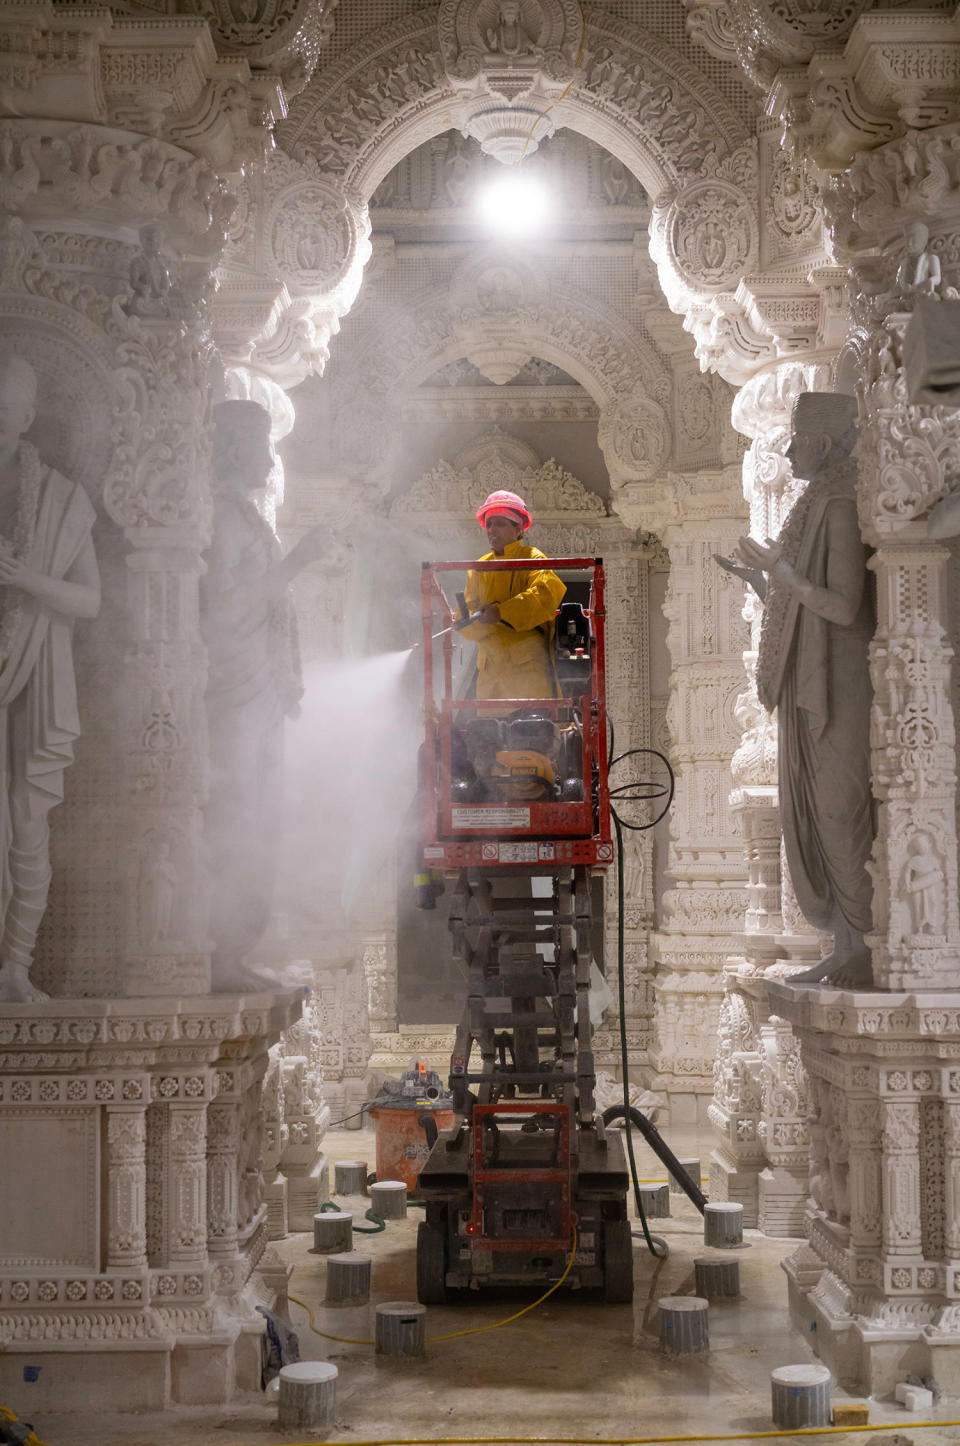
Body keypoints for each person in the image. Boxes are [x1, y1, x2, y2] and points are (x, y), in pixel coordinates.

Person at [716, 392, 875, 986]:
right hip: (815, 676)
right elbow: (805, 608)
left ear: (827, 443)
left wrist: (782, 573)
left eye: (798, 439)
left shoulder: (838, 505)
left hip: (839, 683)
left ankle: (866, 945)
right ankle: (848, 943)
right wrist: (765, 579)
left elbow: (845, 604)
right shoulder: (814, 501)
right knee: (806, 810)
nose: (788, 450)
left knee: (837, 810)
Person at [201, 399, 330, 988]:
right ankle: (223, 954)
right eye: (261, 443)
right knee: (240, 814)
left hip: (258, 687)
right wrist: (299, 559)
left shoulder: (244, 515)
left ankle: (236, 950)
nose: (270, 456)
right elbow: (224, 607)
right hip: (235, 689)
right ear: (232, 448)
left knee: (260, 815)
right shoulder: (224, 518)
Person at [0, 356, 100, 1002]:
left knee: (26, 819)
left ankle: (14, 967)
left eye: (6, 410)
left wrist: (23, 580)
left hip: (35, 672)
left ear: (28, 417)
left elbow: (90, 602)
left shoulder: (63, 500)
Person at [460, 489, 566, 700]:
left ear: (518, 528)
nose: (492, 530)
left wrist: (501, 612)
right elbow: (466, 619)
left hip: (527, 674)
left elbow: (544, 595)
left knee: (531, 731)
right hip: (490, 678)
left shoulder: (533, 559)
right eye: (489, 524)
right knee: (489, 731)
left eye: (499, 523)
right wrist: (466, 621)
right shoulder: (479, 567)